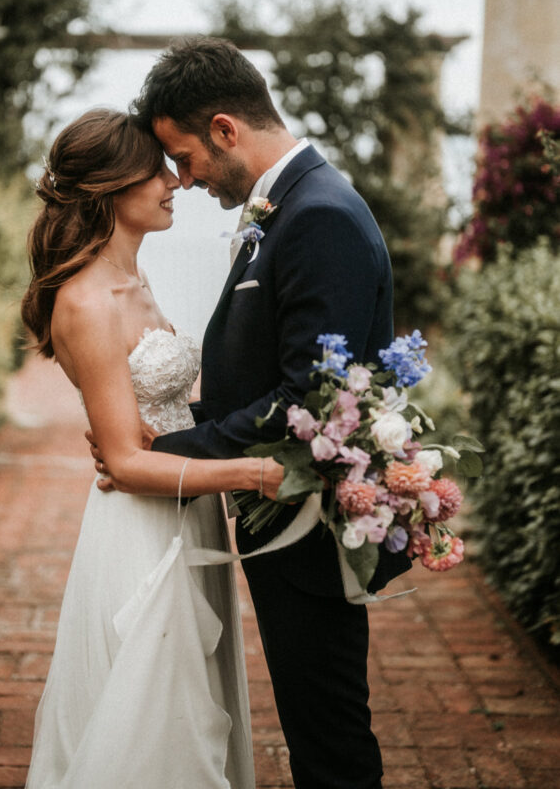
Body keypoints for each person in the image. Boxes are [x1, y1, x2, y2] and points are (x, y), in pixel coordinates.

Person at [91, 38, 412, 789]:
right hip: (282, 508)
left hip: (307, 521)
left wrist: (174, 447)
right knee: (314, 718)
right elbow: (278, 369)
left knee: (327, 728)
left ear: (225, 130)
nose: (181, 178)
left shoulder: (318, 214)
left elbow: (306, 396)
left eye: (184, 156)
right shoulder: (292, 203)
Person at [20, 107, 283, 789]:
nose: (174, 181)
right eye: (153, 171)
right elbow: (127, 461)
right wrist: (252, 471)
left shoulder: (133, 281)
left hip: (184, 504)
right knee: (157, 717)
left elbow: (151, 422)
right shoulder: (86, 301)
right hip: (142, 522)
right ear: (109, 187)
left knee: (191, 696)